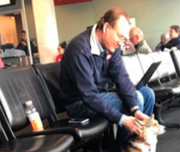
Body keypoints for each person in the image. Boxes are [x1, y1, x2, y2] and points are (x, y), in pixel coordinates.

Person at [59, 7, 155, 143]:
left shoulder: (112, 46)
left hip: (98, 96)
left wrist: (135, 110)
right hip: (79, 103)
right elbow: (89, 96)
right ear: (106, 27)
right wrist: (123, 119)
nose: (120, 43)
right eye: (120, 36)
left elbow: (122, 78)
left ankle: (137, 144)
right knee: (138, 97)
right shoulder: (79, 49)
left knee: (147, 94)